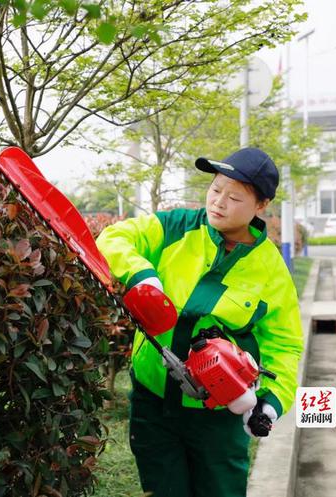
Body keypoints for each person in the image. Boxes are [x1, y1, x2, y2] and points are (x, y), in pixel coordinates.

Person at [96, 148, 304, 497]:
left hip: (218, 417)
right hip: (153, 402)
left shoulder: (270, 269)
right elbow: (113, 238)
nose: (219, 202)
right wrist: (142, 275)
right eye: (216, 189)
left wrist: (271, 402)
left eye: (234, 196)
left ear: (261, 205)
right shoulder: (176, 228)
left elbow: (285, 343)